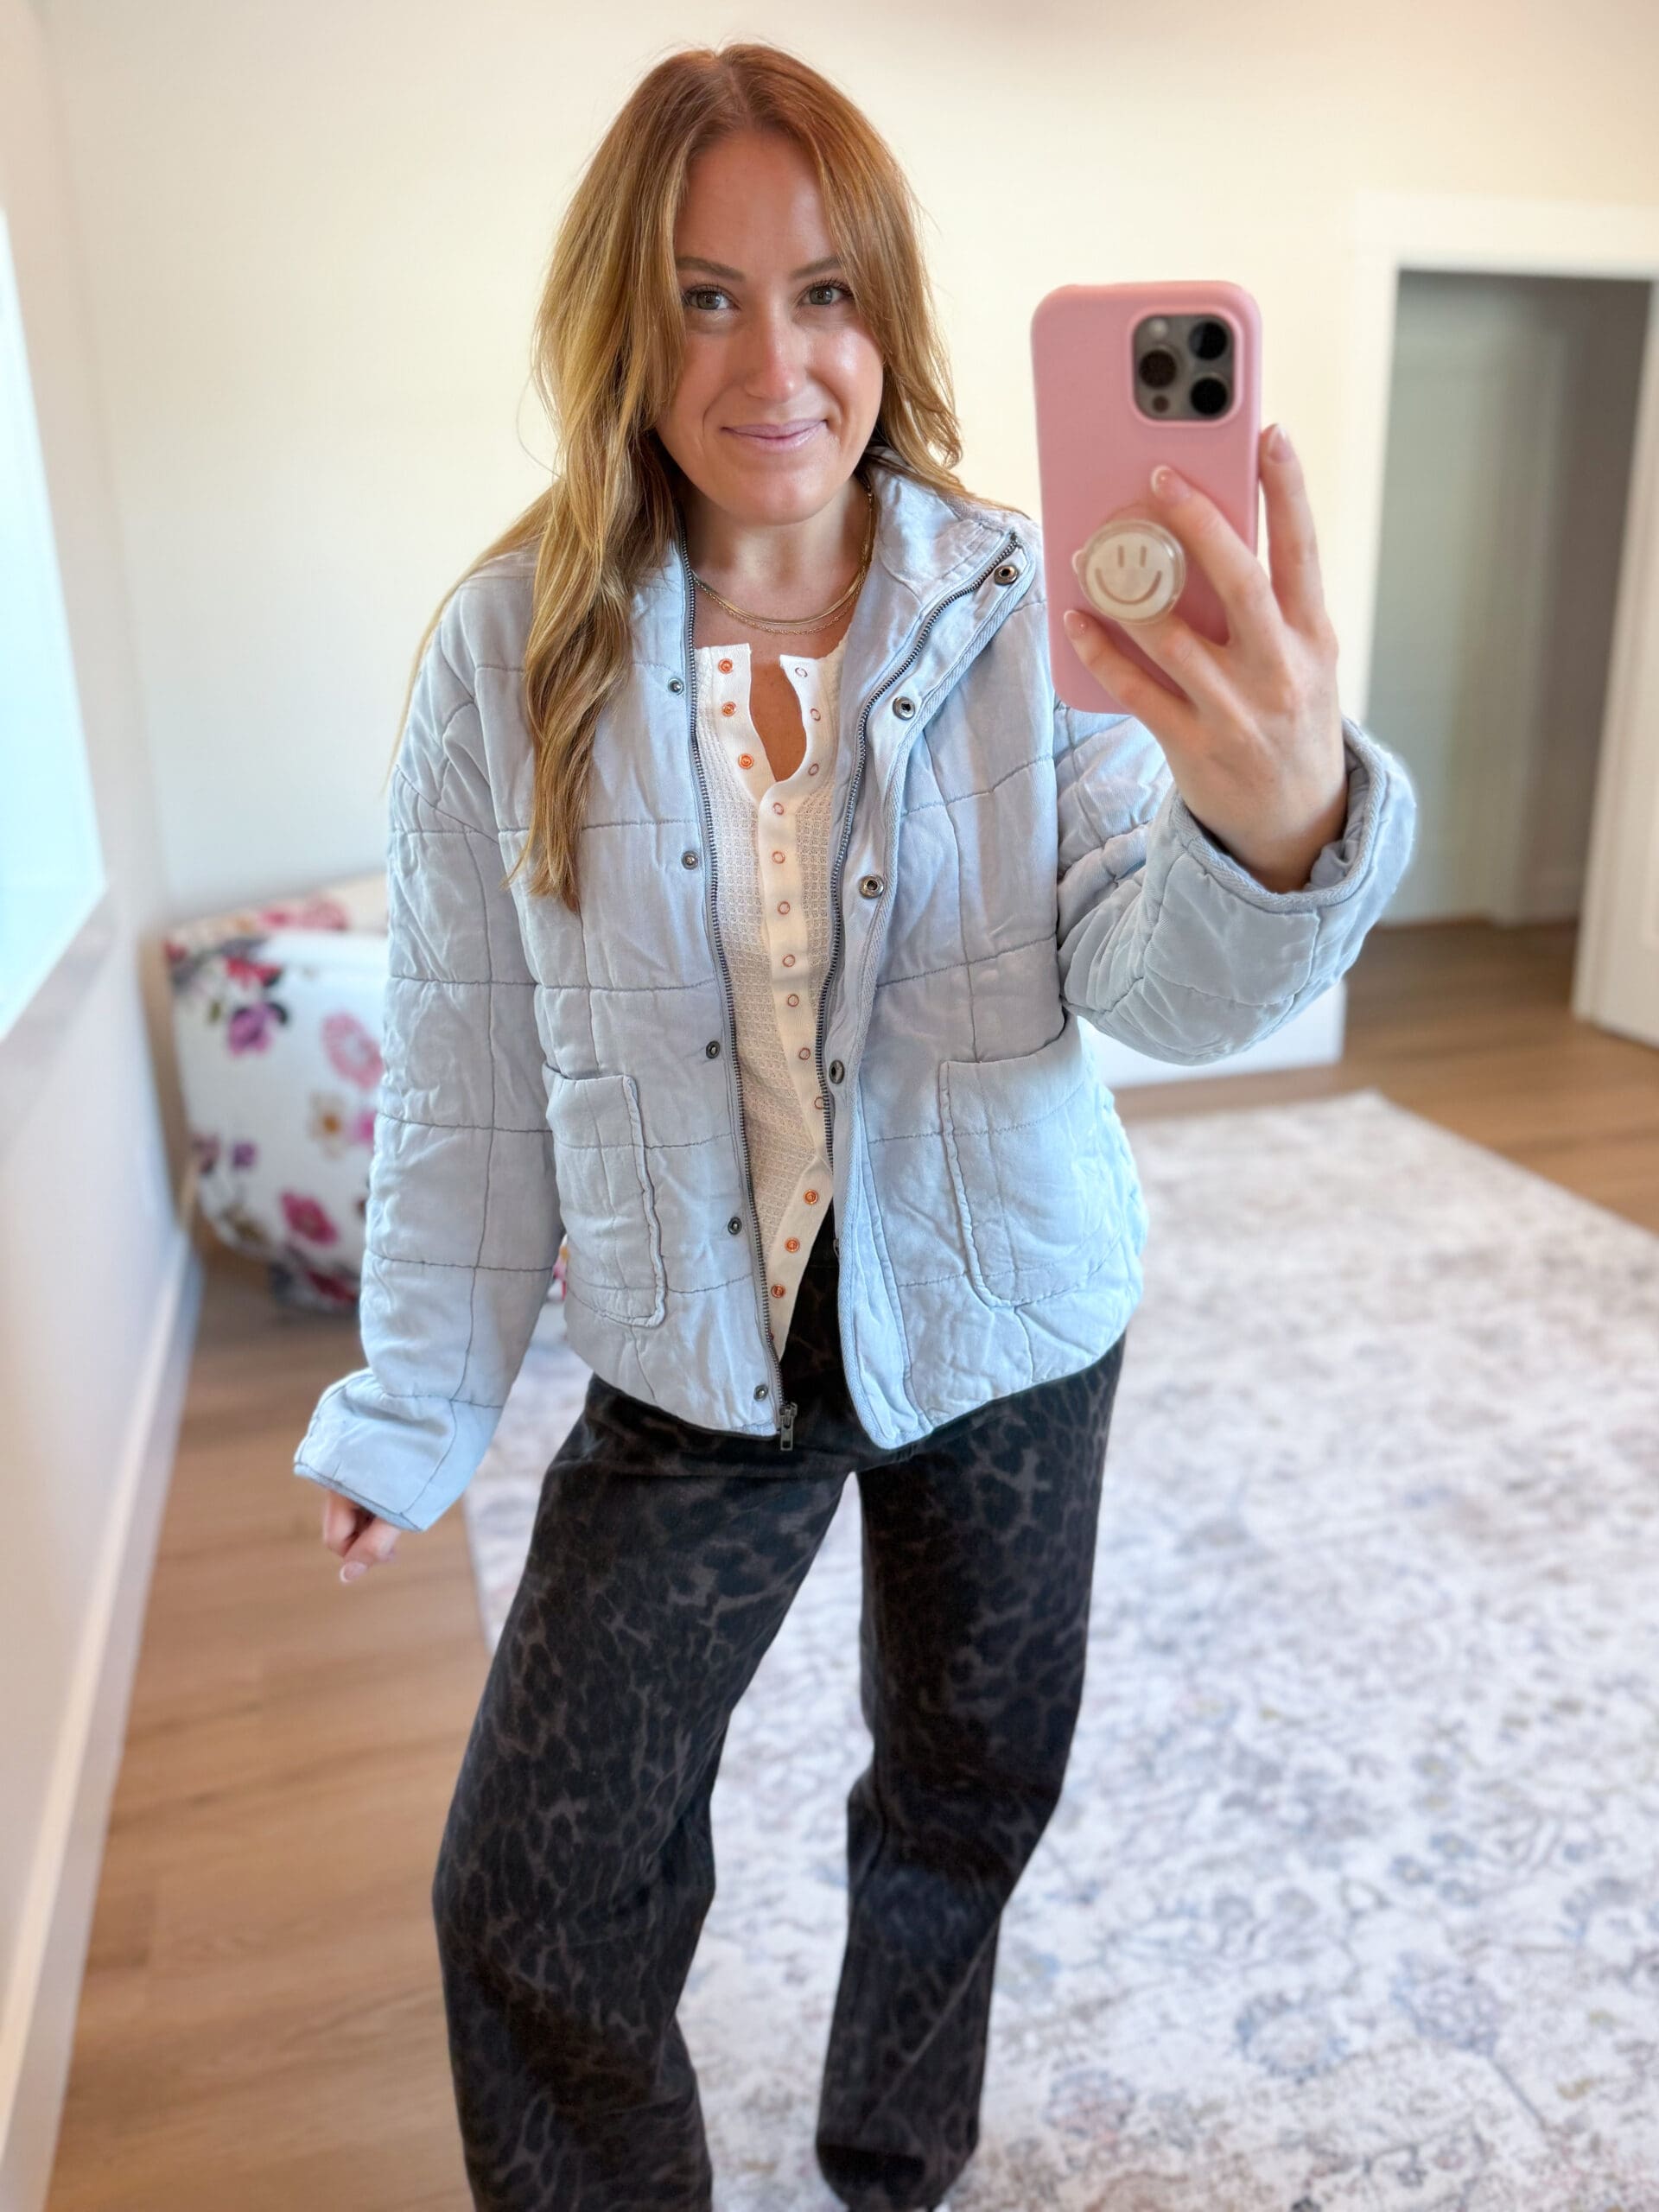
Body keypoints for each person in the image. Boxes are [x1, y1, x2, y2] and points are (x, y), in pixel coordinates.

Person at [292, 39, 1416, 2212]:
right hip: (685, 1351)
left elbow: (1155, 983)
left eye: (823, 292)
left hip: (1009, 1321)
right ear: (622, 324)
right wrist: (419, 1391)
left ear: (887, 313)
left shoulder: (1036, 607)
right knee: (531, 1889)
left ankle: (894, 2163)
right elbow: (464, 1069)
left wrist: (1274, 831)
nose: (774, 360)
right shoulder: (506, 655)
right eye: (703, 297)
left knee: (965, 1792)